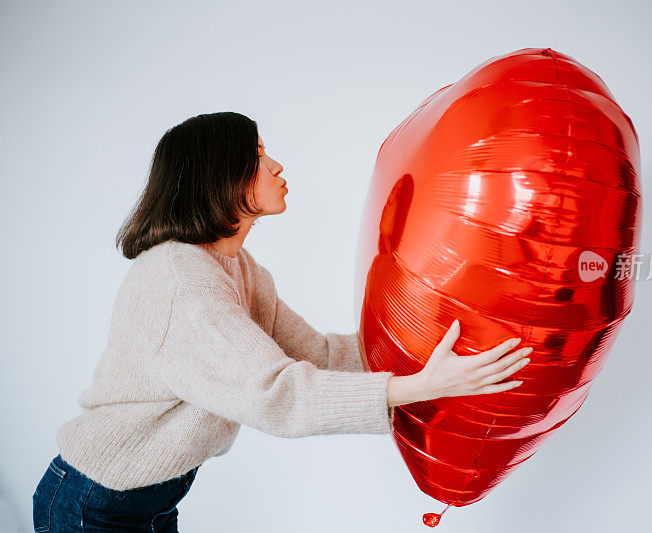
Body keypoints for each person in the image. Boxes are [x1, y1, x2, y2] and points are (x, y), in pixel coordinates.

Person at [31, 111, 532, 532]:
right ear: (219, 178)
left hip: (147, 497)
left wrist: (422, 344)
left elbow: (315, 354)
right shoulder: (181, 281)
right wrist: (418, 386)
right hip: (92, 506)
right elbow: (277, 395)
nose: (276, 166)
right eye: (257, 159)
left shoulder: (236, 268)